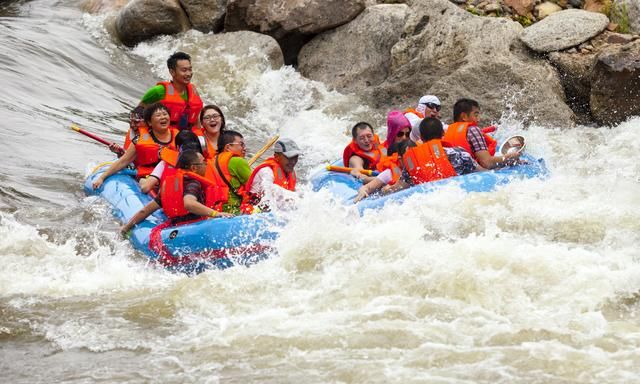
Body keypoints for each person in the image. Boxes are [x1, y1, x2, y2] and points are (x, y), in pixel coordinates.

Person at [355, 118, 482, 202]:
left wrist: (381, 191)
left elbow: (396, 189)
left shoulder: (412, 163)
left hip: (427, 201)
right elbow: (482, 173)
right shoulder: (460, 153)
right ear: (443, 134)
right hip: (458, 196)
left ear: (421, 137)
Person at [120, 150, 232, 235]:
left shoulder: (170, 185)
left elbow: (145, 210)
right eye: (203, 162)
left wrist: (126, 228)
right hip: (193, 229)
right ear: (194, 168)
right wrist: (216, 214)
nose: (206, 165)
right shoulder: (193, 184)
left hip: (174, 228)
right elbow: (189, 204)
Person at [115, 52, 204, 154]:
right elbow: (137, 112)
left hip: (185, 138)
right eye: (184, 70)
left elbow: (196, 119)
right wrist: (142, 136)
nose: (188, 74)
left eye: (190, 69)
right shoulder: (159, 91)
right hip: (163, 138)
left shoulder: (193, 90)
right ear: (172, 72)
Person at [93, 103, 178, 190]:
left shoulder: (180, 137)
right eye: (158, 115)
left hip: (170, 175)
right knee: (145, 185)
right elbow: (123, 161)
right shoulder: (139, 139)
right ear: (149, 122)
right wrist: (102, 177)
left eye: (165, 114)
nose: (163, 117)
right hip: (147, 177)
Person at [443, 98, 518, 169]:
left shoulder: (446, 131)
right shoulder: (473, 130)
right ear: (464, 116)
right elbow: (487, 163)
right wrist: (510, 157)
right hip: (473, 174)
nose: (479, 119)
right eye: (476, 115)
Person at [205, 130, 252, 214]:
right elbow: (255, 186)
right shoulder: (238, 161)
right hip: (236, 211)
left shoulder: (214, 160)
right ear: (228, 147)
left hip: (217, 211)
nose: (244, 148)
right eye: (241, 144)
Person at [245, 138, 299, 210]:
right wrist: (295, 197)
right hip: (253, 211)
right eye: (289, 158)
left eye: (295, 157)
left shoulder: (288, 171)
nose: (293, 162)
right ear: (276, 156)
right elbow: (269, 193)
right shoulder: (266, 171)